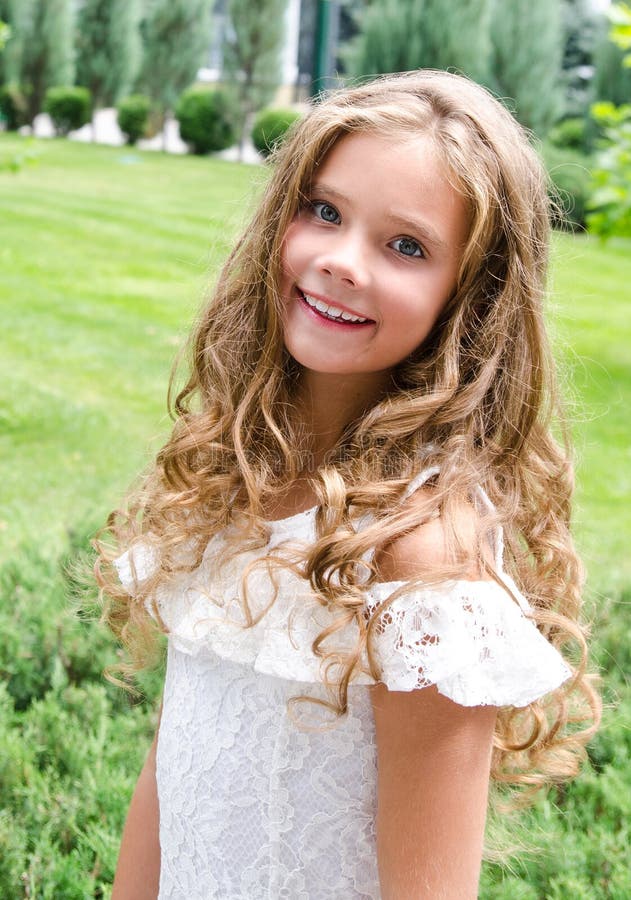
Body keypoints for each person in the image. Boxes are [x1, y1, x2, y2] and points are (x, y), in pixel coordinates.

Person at [96, 69, 600, 899]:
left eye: (406, 246)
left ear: (466, 301)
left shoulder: (422, 562)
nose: (339, 261)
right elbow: (172, 774)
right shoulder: (242, 470)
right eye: (324, 211)